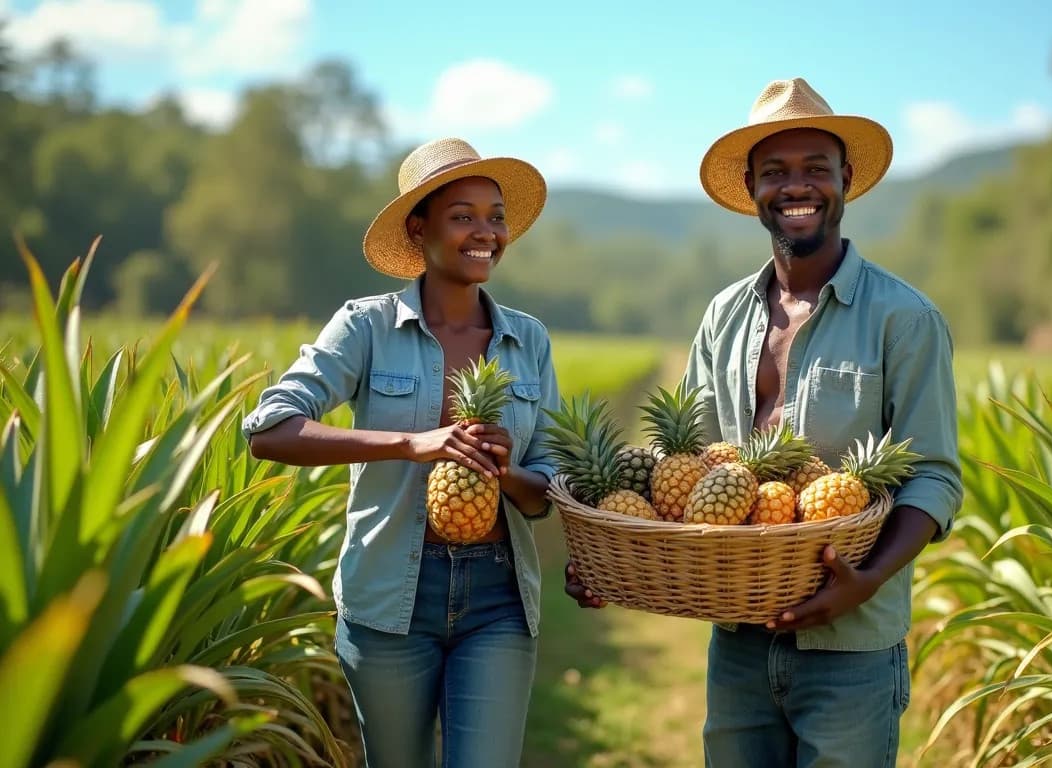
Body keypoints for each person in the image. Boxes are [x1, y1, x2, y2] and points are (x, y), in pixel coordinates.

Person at [566, 77, 964, 767]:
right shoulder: (724, 315)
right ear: (752, 187)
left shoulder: (905, 318)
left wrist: (865, 581)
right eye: (776, 172)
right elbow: (679, 461)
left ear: (846, 180)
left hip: (854, 646)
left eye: (816, 168)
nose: (797, 187)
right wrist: (614, 561)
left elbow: (934, 477)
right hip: (739, 640)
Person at [243, 137, 560, 767]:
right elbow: (269, 429)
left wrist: (512, 473)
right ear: (419, 228)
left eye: (495, 216)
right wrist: (412, 444)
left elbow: (549, 481)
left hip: (498, 595)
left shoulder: (528, 339)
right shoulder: (364, 326)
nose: (486, 232)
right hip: (388, 597)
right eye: (462, 215)